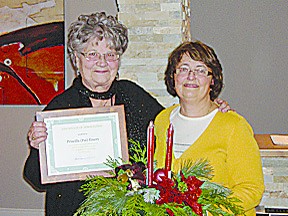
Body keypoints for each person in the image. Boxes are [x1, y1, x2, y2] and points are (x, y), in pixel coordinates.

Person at [23, 12, 231, 216]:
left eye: (111, 54)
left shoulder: (133, 95)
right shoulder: (60, 109)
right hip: (75, 210)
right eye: (92, 54)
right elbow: (35, 179)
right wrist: (37, 146)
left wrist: (209, 108)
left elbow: (170, 123)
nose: (102, 62)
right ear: (77, 59)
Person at [154, 41, 264, 216]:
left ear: (212, 80)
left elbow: (252, 189)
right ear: (173, 76)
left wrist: (207, 212)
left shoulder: (233, 126)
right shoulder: (162, 121)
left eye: (200, 70)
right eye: (183, 69)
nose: (191, 76)